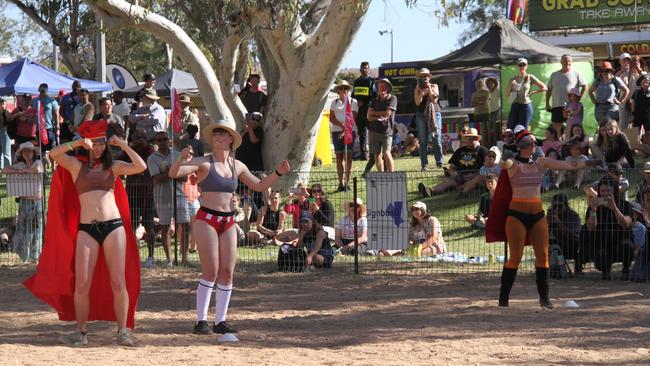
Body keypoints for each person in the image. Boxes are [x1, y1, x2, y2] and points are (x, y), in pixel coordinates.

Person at [24, 120, 146, 346]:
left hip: (114, 227)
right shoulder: (76, 166)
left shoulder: (115, 166)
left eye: (102, 143)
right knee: (82, 283)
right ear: (88, 144)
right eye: (95, 143)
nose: (98, 147)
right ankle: (82, 333)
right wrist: (76, 143)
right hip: (87, 229)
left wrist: (122, 144)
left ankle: (123, 331)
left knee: (118, 282)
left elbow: (141, 167)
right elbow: (53, 153)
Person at [169, 118, 290, 337]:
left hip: (228, 221)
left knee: (227, 273)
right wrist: (180, 159)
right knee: (211, 270)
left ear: (231, 141)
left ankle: (221, 320)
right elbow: (174, 173)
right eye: (215, 134)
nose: (218, 137)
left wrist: (278, 173)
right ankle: (201, 321)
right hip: (206, 218)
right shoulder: (203, 162)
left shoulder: (238, 165)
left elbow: (260, 185)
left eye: (223, 134)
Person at [486, 128, 599, 308]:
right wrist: (505, 155)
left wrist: (590, 162)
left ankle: (544, 299)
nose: (536, 146)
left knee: (543, 257)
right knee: (515, 258)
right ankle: (503, 299)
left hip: (538, 215)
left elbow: (567, 165)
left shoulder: (541, 162)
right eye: (533, 143)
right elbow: (503, 165)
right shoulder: (514, 164)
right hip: (516, 216)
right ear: (525, 146)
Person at [147, 131, 190, 267]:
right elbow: (156, 179)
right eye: (159, 140)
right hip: (162, 197)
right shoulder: (152, 158)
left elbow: (185, 177)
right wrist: (172, 172)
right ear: (156, 142)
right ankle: (169, 260)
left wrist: (168, 172)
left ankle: (184, 259)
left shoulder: (177, 155)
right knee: (165, 227)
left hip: (179, 195)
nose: (163, 141)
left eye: (165, 139)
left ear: (169, 140)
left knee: (186, 226)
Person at [118, 129, 156, 267]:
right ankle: (131, 256)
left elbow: (144, 167)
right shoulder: (130, 150)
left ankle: (151, 256)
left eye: (140, 137)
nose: (137, 140)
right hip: (132, 193)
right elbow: (117, 158)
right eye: (135, 137)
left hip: (147, 194)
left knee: (149, 226)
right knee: (131, 226)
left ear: (145, 138)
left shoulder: (149, 150)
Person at [585, 175, 634, 280]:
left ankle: (626, 269)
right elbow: (590, 228)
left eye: (609, 190)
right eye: (602, 191)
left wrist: (614, 209)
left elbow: (626, 224)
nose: (605, 194)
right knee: (601, 257)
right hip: (603, 245)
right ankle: (605, 272)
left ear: (615, 190)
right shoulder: (594, 206)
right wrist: (593, 211)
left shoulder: (625, 205)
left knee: (628, 247)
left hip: (621, 243)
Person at [2, 142, 43, 261]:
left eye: (29, 151)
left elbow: (38, 170)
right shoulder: (19, 165)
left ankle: (36, 256)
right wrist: (17, 171)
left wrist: (24, 172)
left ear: (33, 152)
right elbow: (5, 169)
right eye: (24, 151)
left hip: (36, 203)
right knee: (23, 228)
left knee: (36, 229)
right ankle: (25, 256)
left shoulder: (38, 162)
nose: (27, 153)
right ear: (21, 154)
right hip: (24, 202)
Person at [418, 128, 487, 197]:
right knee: (448, 182)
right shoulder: (459, 151)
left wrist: (475, 175)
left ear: (477, 139)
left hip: (476, 176)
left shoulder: (483, 151)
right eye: (468, 137)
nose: (470, 139)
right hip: (460, 175)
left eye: (472, 138)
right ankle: (430, 191)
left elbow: (487, 167)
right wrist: (453, 173)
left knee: (478, 179)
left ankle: (463, 190)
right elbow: (452, 167)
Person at [546, 54, 587, 140]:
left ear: (571, 62)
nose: (567, 62)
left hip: (571, 106)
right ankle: (560, 145)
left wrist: (580, 97)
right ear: (561, 62)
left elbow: (585, 86)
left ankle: (573, 143)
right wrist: (547, 103)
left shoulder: (576, 73)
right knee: (556, 126)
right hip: (557, 104)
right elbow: (549, 90)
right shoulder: (554, 74)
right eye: (565, 60)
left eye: (569, 61)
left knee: (572, 126)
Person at [329, 80, 358, 190]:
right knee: (339, 158)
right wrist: (342, 127)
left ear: (348, 90)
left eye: (345, 88)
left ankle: (348, 183)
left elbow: (352, 118)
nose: (343, 90)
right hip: (337, 132)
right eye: (341, 88)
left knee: (348, 158)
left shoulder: (353, 101)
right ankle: (340, 183)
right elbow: (331, 118)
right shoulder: (334, 102)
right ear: (338, 90)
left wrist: (344, 130)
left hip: (350, 131)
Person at [413, 68, 443, 170]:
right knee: (423, 140)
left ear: (429, 77)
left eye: (426, 76)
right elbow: (417, 103)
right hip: (421, 114)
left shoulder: (434, 86)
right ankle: (424, 165)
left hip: (435, 114)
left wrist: (429, 87)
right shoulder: (417, 88)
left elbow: (434, 99)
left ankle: (439, 163)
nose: (424, 78)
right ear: (419, 78)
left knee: (436, 138)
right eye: (422, 76)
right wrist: (420, 91)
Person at [506, 58, 547, 130]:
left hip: (525, 106)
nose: (522, 66)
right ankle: (513, 141)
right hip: (515, 105)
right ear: (517, 66)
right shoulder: (513, 78)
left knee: (523, 129)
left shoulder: (530, 77)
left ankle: (523, 141)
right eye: (520, 65)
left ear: (526, 66)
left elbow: (544, 87)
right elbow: (507, 95)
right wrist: (510, 85)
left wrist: (533, 92)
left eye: (523, 64)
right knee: (510, 128)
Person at [366, 78, 397, 173]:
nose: (383, 88)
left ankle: (392, 175)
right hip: (375, 131)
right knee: (377, 154)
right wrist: (378, 116)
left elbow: (388, 113)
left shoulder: (393, 98)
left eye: (385, 86)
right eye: (381, 86)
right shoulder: (374, 100)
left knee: (387, 153)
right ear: (378, 88)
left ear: (388, 88)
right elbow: (368, 117)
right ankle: (381, 175)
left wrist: (374, 113)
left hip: (387, 132)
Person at [546, 193, 582, 272]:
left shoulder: (573, 215)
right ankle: (554, 268)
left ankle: (568, 269)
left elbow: (571, 235)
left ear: (566, 205)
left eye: (560, 206)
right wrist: (546, 224)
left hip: (571, 244)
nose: (557, 209)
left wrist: (559, 222)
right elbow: (545, 235)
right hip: (557, 244)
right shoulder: (550, 215)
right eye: (554, 206)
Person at [352, 62, 375, 161]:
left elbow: (374, 95)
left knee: (372, 132)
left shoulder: (371, 81)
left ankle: (374, 153)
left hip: (368, 109)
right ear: (360, 69)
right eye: (363, 68)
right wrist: (358, 100)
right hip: (359, 111)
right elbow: (353, 94)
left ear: (368, 69)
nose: (364, 69)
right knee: (361, 133)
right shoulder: (357, 81)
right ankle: (363, 154)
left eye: (366, 68)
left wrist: (365, 102)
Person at [31, 83, 59, 153]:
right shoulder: (34, 101)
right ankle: (43, 163)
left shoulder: (52, 101)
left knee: (52, 150)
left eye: (44, 89)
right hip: (39, 129)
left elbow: (56, 115)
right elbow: (32, 113)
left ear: (47, 90)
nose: (43, 91)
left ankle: (52, 164)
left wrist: (57, 128)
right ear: (39, 90)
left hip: (49, 128)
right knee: (41, 151)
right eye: (41, 89)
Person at [0, 98, 11, 169]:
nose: (2, 105)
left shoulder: (7, 112)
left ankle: (8, 170)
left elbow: (9, 122)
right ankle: (1, 170)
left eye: (3, 103)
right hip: (2, 131)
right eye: (1, 104)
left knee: (6, 153)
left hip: (5, 132)